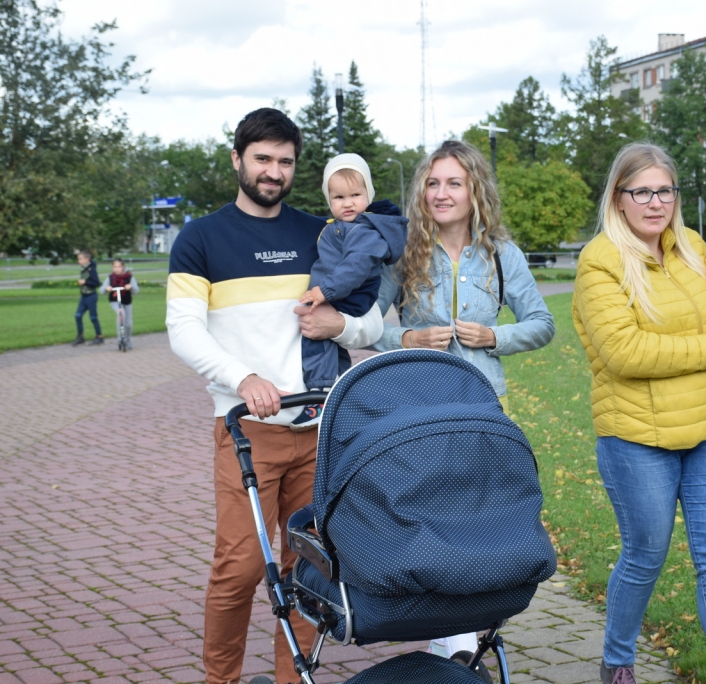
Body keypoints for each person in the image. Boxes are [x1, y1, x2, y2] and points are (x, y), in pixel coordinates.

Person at [166, 108, 383, 684]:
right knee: (239, 568)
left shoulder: (322, 232)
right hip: (247, 430)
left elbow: (373, 322)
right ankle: (222, 679)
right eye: (263, 159)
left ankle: (296, 678)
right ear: (238, 160)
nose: (273, 171)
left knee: (307, 568)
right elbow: (183, 329)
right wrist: (244, 379)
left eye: (285, 162)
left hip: (318, 430)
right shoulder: (200, 239)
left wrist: (339, 327)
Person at [572, 143, 706, 684]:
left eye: (665, 191)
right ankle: (619, 659)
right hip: (637, 437)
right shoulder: (598, 262)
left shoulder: (694, 249)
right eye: (642, 192)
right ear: (619, 198)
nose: (656, 203)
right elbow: (624, 354)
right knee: (646, 554)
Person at [372, 139, 554, 672]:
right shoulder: (405, 251)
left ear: (475, 190)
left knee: (475, 522)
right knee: (430, 521)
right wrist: (406, 338)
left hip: (481, 407)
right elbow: (365, 325)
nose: (442, 193)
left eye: (454, 182)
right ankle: (447, 645)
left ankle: (458, 641)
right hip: (416, 406)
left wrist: (494, 336)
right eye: (433, 183)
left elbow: (543, 324)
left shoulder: (501, 254)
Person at [292, 153, 407, 426]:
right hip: (341, 291)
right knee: (333, 347)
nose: (348, 203)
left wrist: (324, 292)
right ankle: (339, 395)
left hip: (347, 294)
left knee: (315, 336)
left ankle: (318, 398)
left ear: (369, 194)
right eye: (339, 197)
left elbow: (355, 266)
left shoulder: (364, 230)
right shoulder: (343, 227)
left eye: (356, 195)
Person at [99, 258, 140, 349]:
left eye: (119, 267)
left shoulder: (129, 277)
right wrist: (107, 288)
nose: (117, 269)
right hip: (115, 301)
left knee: (128, 323)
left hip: (127, 301)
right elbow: (101, 291)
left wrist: (131, 287)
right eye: (115, 267)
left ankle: (128, 340)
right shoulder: (110, 278)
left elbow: (136, 291)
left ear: (123, 267)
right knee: (122, 314)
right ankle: (120, 338)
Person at [71, 249, 103, 346]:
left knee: (93, 317)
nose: (79, 261)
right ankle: (80, 337)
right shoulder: (84, 269)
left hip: (91, 296)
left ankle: (99, 337)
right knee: (78, 316)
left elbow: (97, 283)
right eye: (78, 259)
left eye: (80, 259)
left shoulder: (91, 270)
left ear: (87, 259)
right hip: (84, 297)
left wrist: (85, 282)